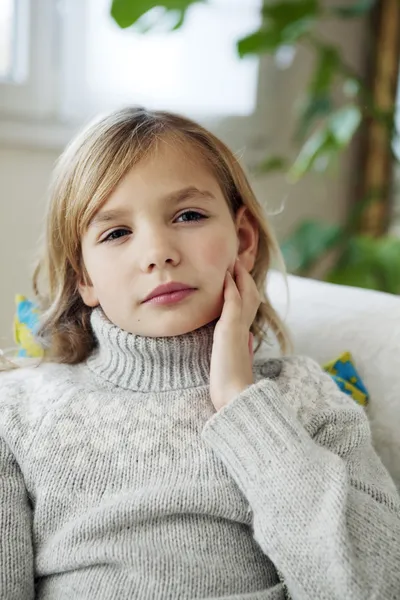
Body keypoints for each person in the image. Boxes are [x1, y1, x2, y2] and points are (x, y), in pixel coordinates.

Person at [0, 107, 399, 600]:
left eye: (187, 216)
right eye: (116, 232)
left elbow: (372, 586)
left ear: (244, 241)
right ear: (84, 277)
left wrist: (240, 402)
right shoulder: (16, 412)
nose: (158, 252)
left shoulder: (306, 396)